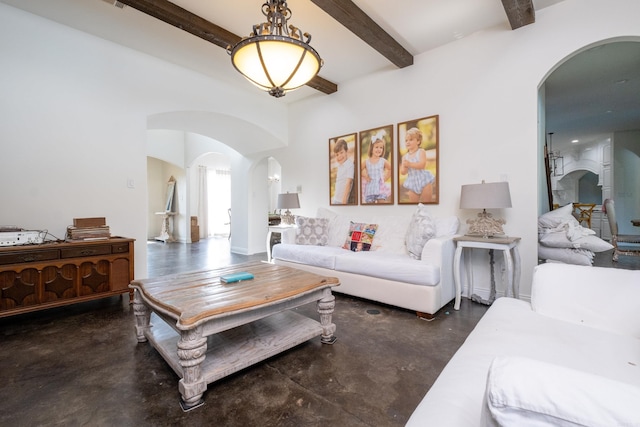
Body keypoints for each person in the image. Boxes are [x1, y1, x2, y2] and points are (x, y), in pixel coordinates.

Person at [400, 127, 435, 203]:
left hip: (423, 180)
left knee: (427, 202)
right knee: (413, 205)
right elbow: (403, 172)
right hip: (412, 182)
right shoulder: (405, 157)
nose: (408, 142)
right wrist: (405, 167)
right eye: (406, 140)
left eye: (411, 140)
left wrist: (409, 164)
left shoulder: (421, 151)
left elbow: (422, 165)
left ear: (418, 141)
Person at [361, 131, 391, 203]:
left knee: (381, 205)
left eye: (381, 148)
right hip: (370, 189)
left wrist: (385, 178)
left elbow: (391, 169)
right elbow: (359, 170)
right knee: (370, 208)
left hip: (380, 188)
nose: (379, 149)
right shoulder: (366, 161)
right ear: (371, 148)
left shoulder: (382, 161)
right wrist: (365, 175)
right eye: (376, 147)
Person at [331, 138, 354, 204]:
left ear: (347, 151)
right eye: (337, 154)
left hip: (342, 201)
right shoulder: (340, 165)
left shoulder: (349, 165)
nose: (339, 156)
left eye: (341, 152)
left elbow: (348, 183)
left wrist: (344, 201)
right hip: (336, 199)